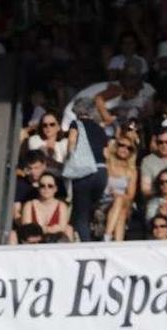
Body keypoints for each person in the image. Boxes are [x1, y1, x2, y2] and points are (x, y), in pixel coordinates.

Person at [66, 98, 109, 242]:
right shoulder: (100, 128)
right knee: (92, 203)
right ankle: (97, 211)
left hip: (84, 173)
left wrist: (70, 159)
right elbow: (106, 152)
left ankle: (87, 244)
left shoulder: (76, 124)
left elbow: (72, 142)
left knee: (81, 214)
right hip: (102, 172)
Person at [102, 136, 138, 241]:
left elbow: (131, 195)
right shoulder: (107, 164)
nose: (125, 149)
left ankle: (107, 237)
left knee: (120, 201)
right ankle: (118, 244)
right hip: (105, 199)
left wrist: (118, 196)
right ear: (116, 146)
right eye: (121, 145)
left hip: (124, 200)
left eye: (129, 148)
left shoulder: (132, 171)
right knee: (121, 212)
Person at [21, 171, 72, 242]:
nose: (46, 188)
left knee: (68, 229)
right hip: (33, 241)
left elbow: (62, 228)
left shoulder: (61, 206)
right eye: (42, 185)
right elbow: (27, 230)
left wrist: (41, 230)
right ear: (38, 188)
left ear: (55, 189)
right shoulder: (29, 205)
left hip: (54, 241)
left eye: (50, 186)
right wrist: (50, 229)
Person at [140, 126, 167, 199]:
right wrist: (164, 192)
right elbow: (145, 189)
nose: (164, 145)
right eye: (160, 142)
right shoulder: (148, 161)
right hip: (157, 200)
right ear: (156, 142)